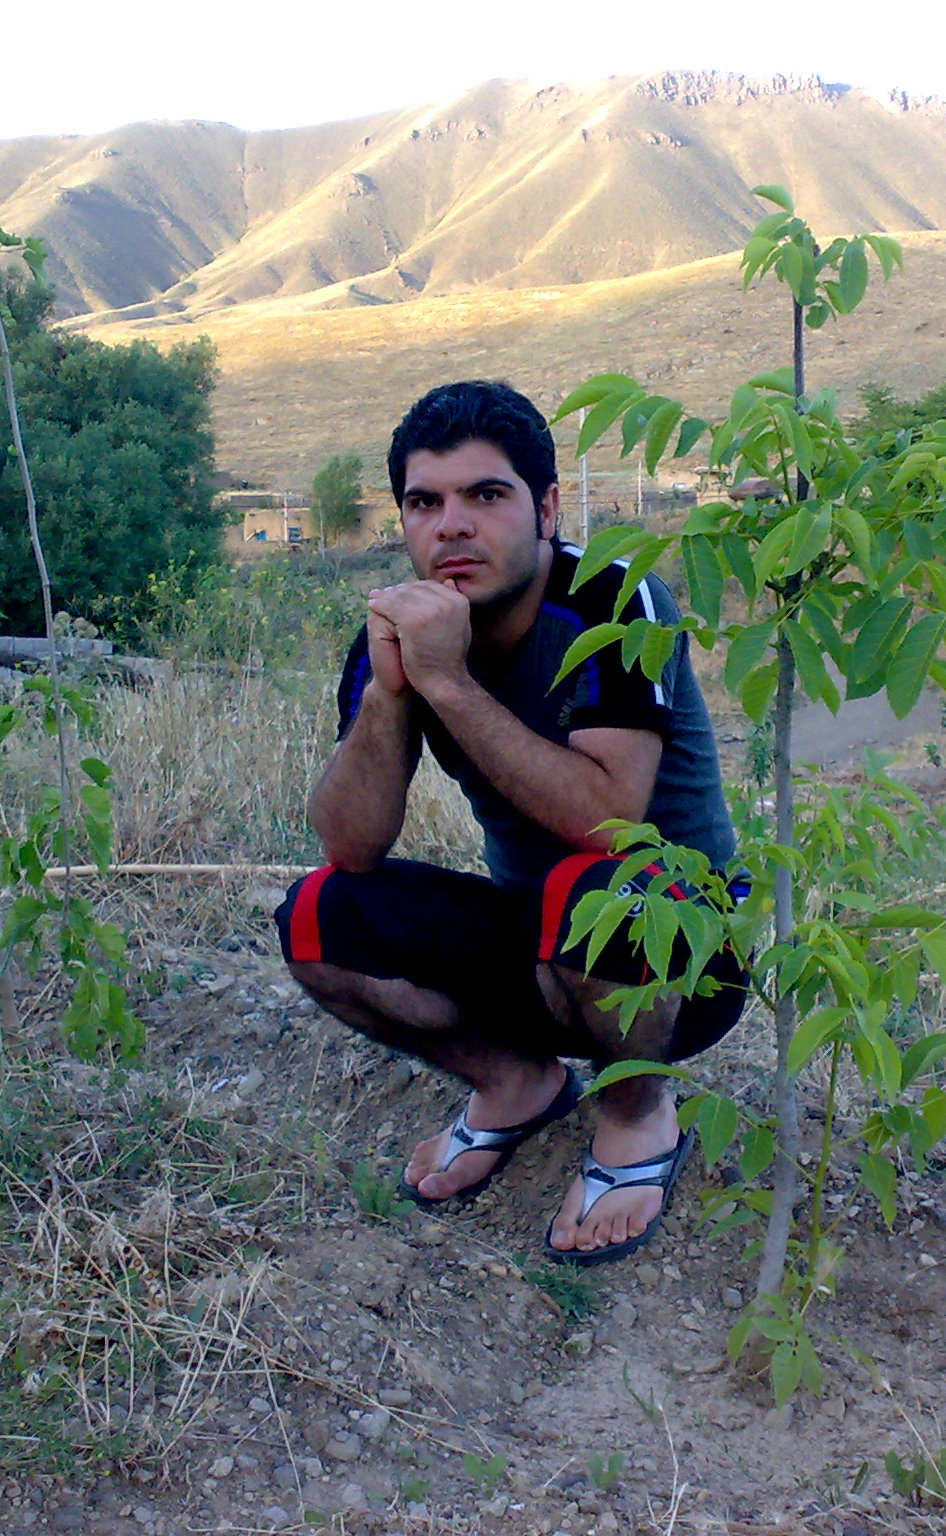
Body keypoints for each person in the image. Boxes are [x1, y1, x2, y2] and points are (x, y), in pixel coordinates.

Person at [274, 380, 745, 1265]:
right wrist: (390, 693)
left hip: (677, 951)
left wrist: (448, 684)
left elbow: (609, 823)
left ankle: (637, 1109)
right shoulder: (400, 631)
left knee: (591, 887)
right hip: (538, 940)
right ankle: (516, 1082)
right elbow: (351, 844)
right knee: (314, 916)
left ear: (547, 509)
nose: (452, 526)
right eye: (425, 503)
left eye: (486, 495)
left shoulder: (615, 602)